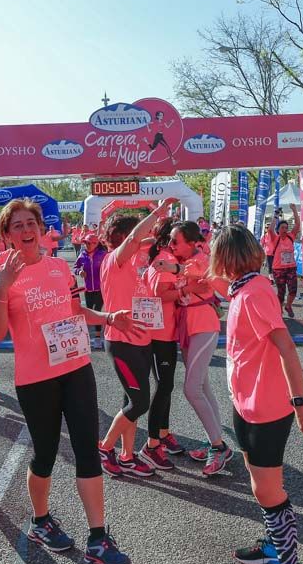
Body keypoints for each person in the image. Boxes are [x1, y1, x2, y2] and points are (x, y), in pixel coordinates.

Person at [0, 198, 136, 564]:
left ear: (41, 229)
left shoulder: (58, 267)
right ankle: (40, 520)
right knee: (46, 454)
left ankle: (98, 538)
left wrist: (108, 317)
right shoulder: (1, 274)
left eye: (31, 223)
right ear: (7, 234)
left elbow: (75, 311)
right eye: (17, 225)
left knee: (87, 449)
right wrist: (2, 287)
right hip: (35, 378)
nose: (26, 230)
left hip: (76, 368)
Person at [209, 225, 303, 564]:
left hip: (266, 406)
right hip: (245, 402)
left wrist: (300, 404)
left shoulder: (254, 293)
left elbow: (287, 347)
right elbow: (218, 286)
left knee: (267, 491)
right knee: (260, 480)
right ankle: (274, 545)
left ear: (226, 258)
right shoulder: (243, 288)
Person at [97, 199, 177, 479]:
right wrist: (156, 212)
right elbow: (135, 239)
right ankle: (105, 448)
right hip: (123, 343)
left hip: (142, 341)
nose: (143, 238)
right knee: (140, 403)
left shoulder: (134, 263)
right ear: (122, 237)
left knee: (130, 403)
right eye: (138, 234)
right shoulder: (114, 260)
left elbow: (147, 242)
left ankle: (127, 456)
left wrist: (160, 235)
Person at [153, 220, 233, 476]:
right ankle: (215, 440)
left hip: (204, 325)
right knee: (203, 386)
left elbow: (198, 270)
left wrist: (173, 267)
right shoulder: (184, 260)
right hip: (188, 327)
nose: (171, 245)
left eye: (175, 241)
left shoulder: (202, 259)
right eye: (170, 240)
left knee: (192, 388)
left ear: (192, 243)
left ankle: (219, 447)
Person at [139, 217, 185, 470]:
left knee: (166, 385)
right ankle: (152, 443)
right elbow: (160, 293)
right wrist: (185, 290)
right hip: (159, 333)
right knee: (164, 385)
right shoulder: (166, 257)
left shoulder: (164, 256)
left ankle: (163, 433)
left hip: (164, 331)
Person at [72, 233, 108, 348]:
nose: (87, 245)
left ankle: (97, 338)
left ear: (95, 244)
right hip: (88, 289)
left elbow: (110, 268)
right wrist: (79, 272)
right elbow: (75, 267)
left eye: (89, 243)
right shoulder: (82, 255)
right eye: (85, 243)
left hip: (100, 289)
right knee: (87, 313)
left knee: (96, 311)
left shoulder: (103, 255)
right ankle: (86, 337)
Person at [271, 205, 301, 318]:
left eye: (286, 228)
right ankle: (279, 311)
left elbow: (297, 225)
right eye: (282, 228)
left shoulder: (290, 237)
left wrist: (294, 210)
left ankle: (288, 306)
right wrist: (276, 215)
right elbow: (270, 229)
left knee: (293, 290)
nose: (285, 230)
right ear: (278, 229)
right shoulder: (275, 238)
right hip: (278, 269)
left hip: (291, 268)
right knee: (281, 291)